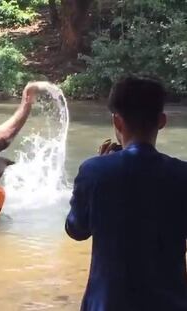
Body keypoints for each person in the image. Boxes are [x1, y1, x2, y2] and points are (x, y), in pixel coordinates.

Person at [65, 76, 187, 311]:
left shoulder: (94, 170)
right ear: (161, 121)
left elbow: (76, 230)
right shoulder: (182, 175)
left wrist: (96, 175)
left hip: (107, 304)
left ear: (117, 122)